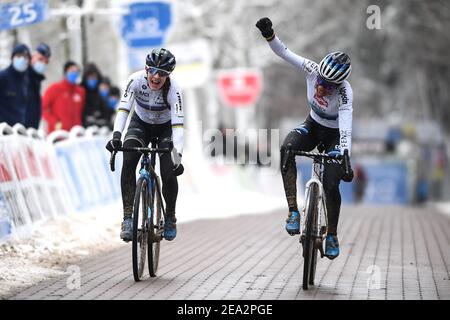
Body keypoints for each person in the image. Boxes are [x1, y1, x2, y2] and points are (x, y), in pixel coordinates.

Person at [256, 17, 354, 259]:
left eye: (327, 86)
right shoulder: (311, 68)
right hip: (312, 124)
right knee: (287, 148)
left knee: (332, 185)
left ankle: (331, 234)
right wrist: (270, 35)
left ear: (339, 85)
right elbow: (284, 52)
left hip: (334, 135)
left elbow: (346, 127)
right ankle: (293, 212)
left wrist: (344, 155)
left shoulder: (345, 93)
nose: (320, 88)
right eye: (320, 81)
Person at [106, 48, 185, 242]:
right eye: (153, 71)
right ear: (146, 69)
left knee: (169, 172)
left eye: (163, 73)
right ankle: (127, 217)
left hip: (166, 128)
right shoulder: (135, 80)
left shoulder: (175, 90)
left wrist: (178, 157)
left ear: (169, 75)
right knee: (129, 158)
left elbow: (178, 127)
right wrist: (117, 135)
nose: (156, 77)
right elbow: (124, 110)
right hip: (140, 124)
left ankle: (170, 216)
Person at [41, 61, 86, 133]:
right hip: (58, 134)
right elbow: (43, 108)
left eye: (76, 71)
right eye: (72, 71)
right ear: (65, 72)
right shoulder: (54, 88)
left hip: (76, 134)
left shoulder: (81, 92)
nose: (74, 73)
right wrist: (55, 122)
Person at [0, 44, 31, 127]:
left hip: (20, 129)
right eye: (18, 56)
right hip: (3, 130)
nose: (22, 59)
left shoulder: (27, 81)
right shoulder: (3, 77)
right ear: (12, 58)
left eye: (25, 57)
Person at [26, 43, 51, 129]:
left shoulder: (36, 80)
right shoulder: (21, 76)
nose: (43, 63)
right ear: (32, 58)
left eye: (46, 61)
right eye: (40, 59)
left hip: (30, 130)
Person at [81, 63, 108, 127]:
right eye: (90, 77)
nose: (93, 80)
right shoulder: (80, 92)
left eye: (94, 77)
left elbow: (105, 113)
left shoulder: (99, 94)